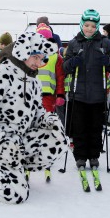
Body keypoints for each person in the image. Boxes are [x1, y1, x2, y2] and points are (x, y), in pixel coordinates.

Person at [0, 32, 68, 203]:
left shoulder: (34, 82)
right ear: (23, 52)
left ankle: (13, 169)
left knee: (57, 140)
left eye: (42, 58)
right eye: (35, 57)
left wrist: (49, 121)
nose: (39, 63)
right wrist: (0, 142)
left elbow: (36, 114)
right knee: (17, 194)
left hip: (18, 143)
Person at [63, 9, 110, 169]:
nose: (89, 29)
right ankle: (80, 156)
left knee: (95, 126)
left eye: (93, 26)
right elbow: (65, 67)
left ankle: (94, 155)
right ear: (81, 24)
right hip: (78, 94)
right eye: (86, 25)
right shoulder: (74, 42)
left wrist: (106, 60)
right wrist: (73, 62)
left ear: (97, 26)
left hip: (98, 94)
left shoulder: (104, 42)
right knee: (79, 127)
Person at [35, 23, 65, 181]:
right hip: (32, 96)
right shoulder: (29, 55)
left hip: (49, 96)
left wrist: (60, 94)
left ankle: (46, 150)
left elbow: (60, 77)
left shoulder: (55, 56)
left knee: (46, 124)